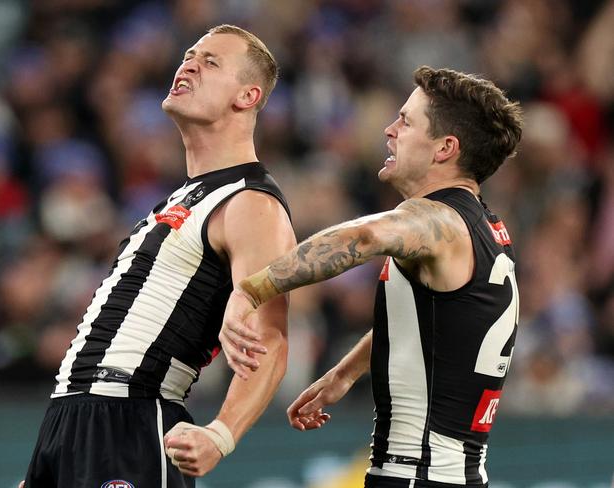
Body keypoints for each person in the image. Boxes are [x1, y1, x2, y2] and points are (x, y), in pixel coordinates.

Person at [220, 66, 523, 487]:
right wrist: (344, 373)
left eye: (406, 121)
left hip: (417, 475)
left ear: (444, 148)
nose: (389, 129)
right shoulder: (484, 228)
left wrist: (252, 290)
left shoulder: (436, 219)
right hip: (453, 474)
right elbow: (432, 330)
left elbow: (363, 236)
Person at [21, 24, 296, 488]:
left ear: (247, 96)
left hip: (133, 420)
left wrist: (221, 435)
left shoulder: (252, 203)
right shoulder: (180, 198)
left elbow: (270, 340)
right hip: (69, 418)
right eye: (189, 55)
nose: (187, 65)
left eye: (210, 62)